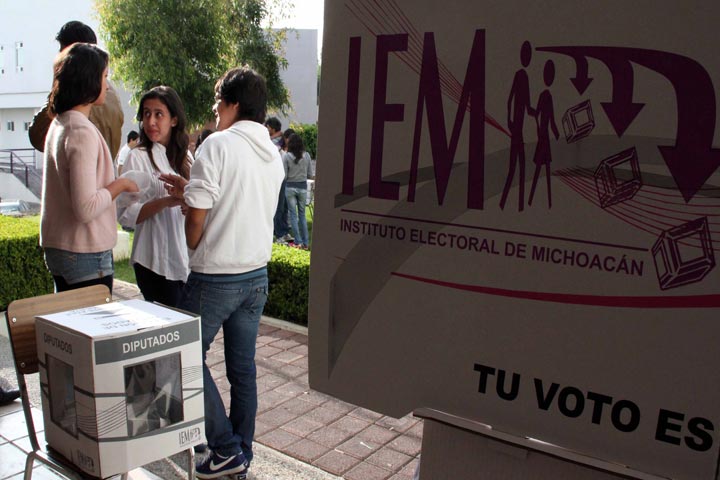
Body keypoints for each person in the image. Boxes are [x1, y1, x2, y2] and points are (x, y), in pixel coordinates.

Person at [161, 66, 283, 480]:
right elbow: (238, 202)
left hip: (215, 276)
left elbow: (198, 220)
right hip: (255, 277)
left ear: (233, 104)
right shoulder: (272, 153)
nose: (215, 111)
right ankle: (240, 453)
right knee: (242, 370)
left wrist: (192, 233)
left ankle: (226, 449)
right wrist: (190, 192)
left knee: (179, 358)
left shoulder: (218, 144)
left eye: (218, 103)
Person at [40, 43, 138, 293]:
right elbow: (85, 208)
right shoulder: (80, 131)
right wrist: (121, 184)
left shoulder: (61, 123)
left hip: (63, 249)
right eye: (104, 76)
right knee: (91, 319)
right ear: (89, 80)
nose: (108, 85)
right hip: (83, 252)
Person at [117, 86, 191, 307]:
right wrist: (167, 201)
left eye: (159, 114)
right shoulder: (138, 157)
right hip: (153, 260)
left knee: (187, 322)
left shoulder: (186, 157)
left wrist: (188, 201)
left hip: (184, 257)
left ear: (174, 119)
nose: (151, 122)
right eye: (146, 114)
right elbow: (126, 214)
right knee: (168, 322)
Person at [29, 21, 124, 159]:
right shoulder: (111, 94)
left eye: (63, 52)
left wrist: (59, 86)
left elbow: (38, 137)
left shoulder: (74, 97)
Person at [499, 40, 535, 212]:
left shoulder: (522, 76)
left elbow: (526, 106)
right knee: (516, 169)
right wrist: (509, 122)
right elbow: (512, 100)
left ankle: (512, 204)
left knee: (517, 169)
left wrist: (510, 121)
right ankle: (508, 204)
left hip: (517, 131)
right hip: (517, 132)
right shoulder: (522, 76)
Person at [528, 60, 559, 209]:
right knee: (543, 170)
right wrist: (556, 133)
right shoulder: (547, 96)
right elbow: (550, 120)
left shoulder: (544, 96)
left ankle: (544, 201)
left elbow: (541, 115)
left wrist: (556, 133)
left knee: (544, 170)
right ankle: (544, 201)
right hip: (543, 137)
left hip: (543, 136)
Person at [282, 133, 314, 249]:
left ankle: (298, 241)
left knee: (293, 215)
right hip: (302, 188)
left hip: (290, 187)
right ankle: (306, 243)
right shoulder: (307, 155)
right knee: (302, 215)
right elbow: (310, 174)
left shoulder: (286, 156)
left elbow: (284, 175)